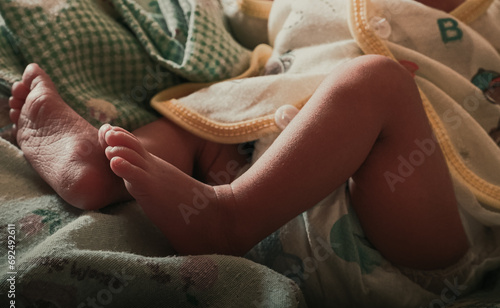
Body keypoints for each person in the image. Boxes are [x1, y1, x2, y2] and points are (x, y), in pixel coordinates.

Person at [7, 0, 493, 270]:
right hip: (274, 188)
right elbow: (231, 18)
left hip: (416, 224)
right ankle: (97, 169)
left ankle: (229, 217)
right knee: (204, 111)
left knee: (379, 82)